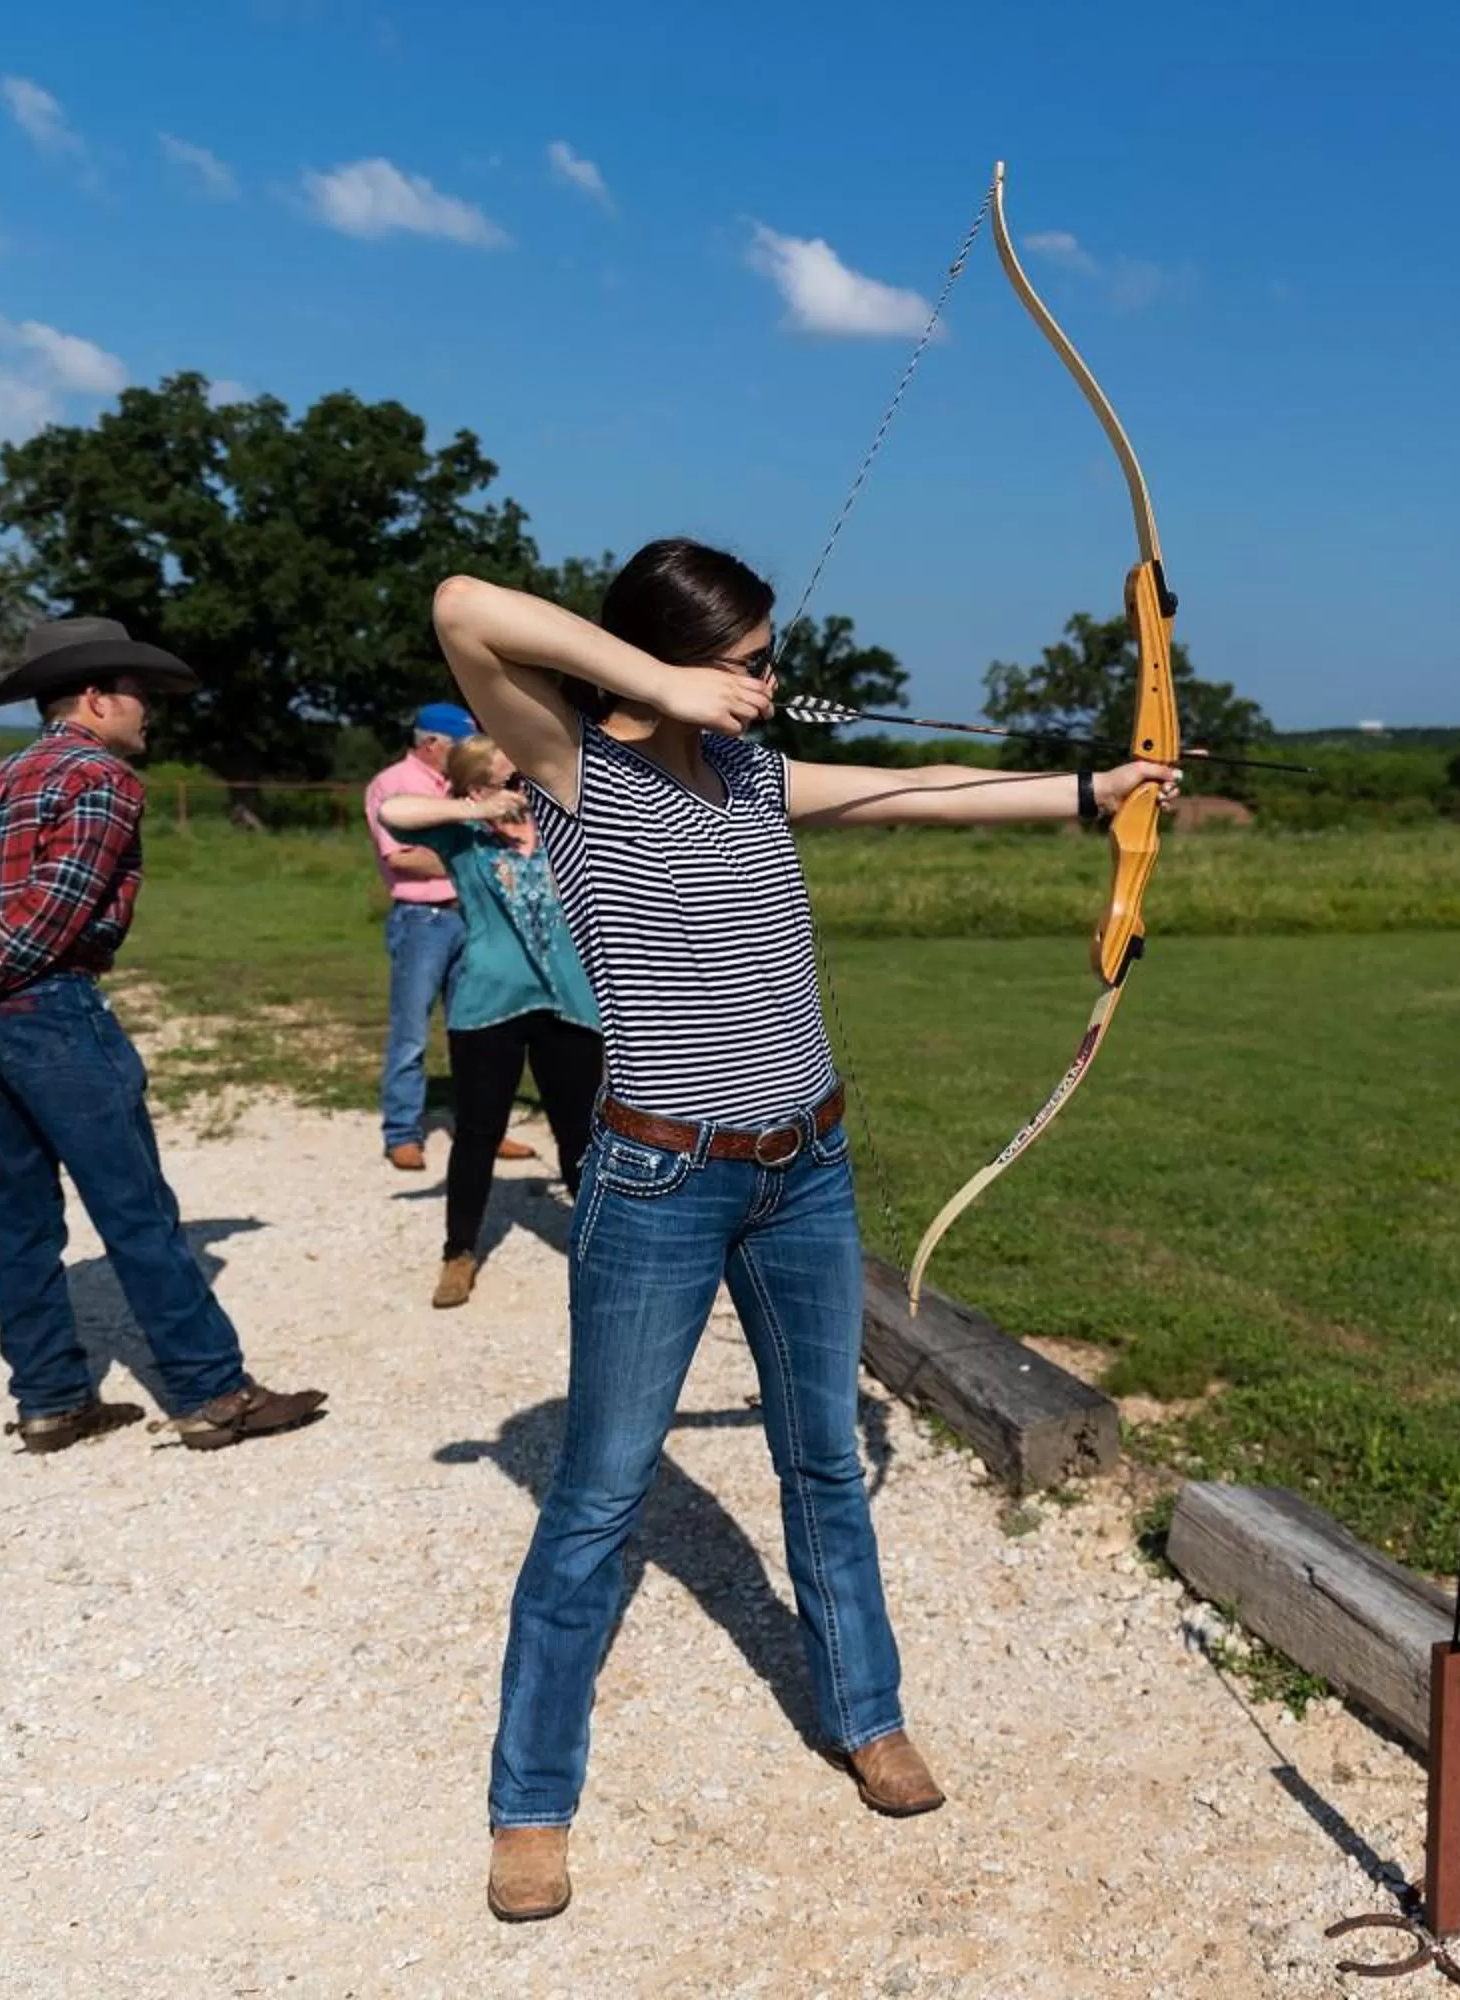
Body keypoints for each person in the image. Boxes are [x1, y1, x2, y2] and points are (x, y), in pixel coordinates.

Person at [432, 540, 1177, 1924]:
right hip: (660, 1180)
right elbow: (462, 611)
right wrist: (656, 680)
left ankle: (867, 1714)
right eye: (754, 658)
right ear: (674, 657)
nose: (773, 681)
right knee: (600, 1493)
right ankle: (531, 1803)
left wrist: (1097, 790)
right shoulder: (575, 769)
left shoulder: (758, 777)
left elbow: (927, 792)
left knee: (820, 1456)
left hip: (805, 1170)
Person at [0, 616, 328, 1454]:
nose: (148, 713)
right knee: (135, 1208)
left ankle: (50, 1400)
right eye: (138, 696)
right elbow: (57, 908)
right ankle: (212, 1393)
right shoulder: (101, 778)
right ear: (95, 698)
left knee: (17, 1214)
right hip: (47, 1008)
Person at [374, 734, 602, 1308]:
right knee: (477, 1132)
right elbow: (391, 812)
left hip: (569, 1003)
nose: (527, 785)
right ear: (480, 787)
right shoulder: (464, 835)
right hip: (488, 1003)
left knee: (579, 1132)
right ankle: (459, 1253)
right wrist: (473, 810)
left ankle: (602, 1250)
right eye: (513, 779)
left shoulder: (563, 825)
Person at [365, 700, 539, 1173]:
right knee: (412, 1032)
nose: (470, 753)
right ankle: (402, 1131)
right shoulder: (394, 785)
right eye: (460, 745)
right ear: (430, 743)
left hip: (471, 918)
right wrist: (476, 861)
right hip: (424, 919)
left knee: (478, 1030)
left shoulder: (462, 788)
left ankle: (484, 1127)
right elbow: (400, 856)